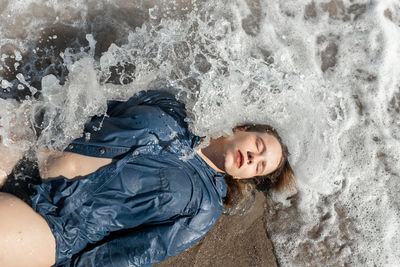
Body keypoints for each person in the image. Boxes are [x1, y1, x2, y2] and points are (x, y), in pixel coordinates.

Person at [0, 90, 295, 267]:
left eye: (260, 167)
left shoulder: (204, 208)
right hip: (30, 156)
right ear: (243, 128)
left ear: (246, 177)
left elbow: (134, 254)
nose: (255, 159)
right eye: (258, 146)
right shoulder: (173, 109)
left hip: (54, 223)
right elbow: (95, 103)